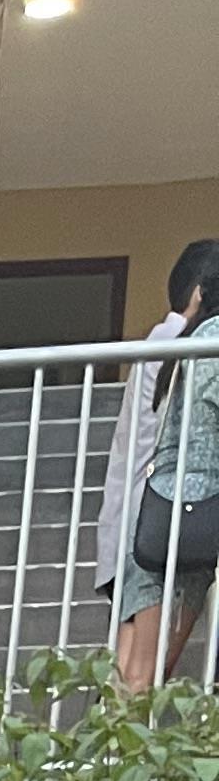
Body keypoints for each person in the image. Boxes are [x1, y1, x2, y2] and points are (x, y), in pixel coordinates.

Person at [104, 239, 219, 689]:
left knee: (133, 669)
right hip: (185, 509)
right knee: (145, 674)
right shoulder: (207, 342)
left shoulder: (183, 342)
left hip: (156, 510)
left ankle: (110, 753)